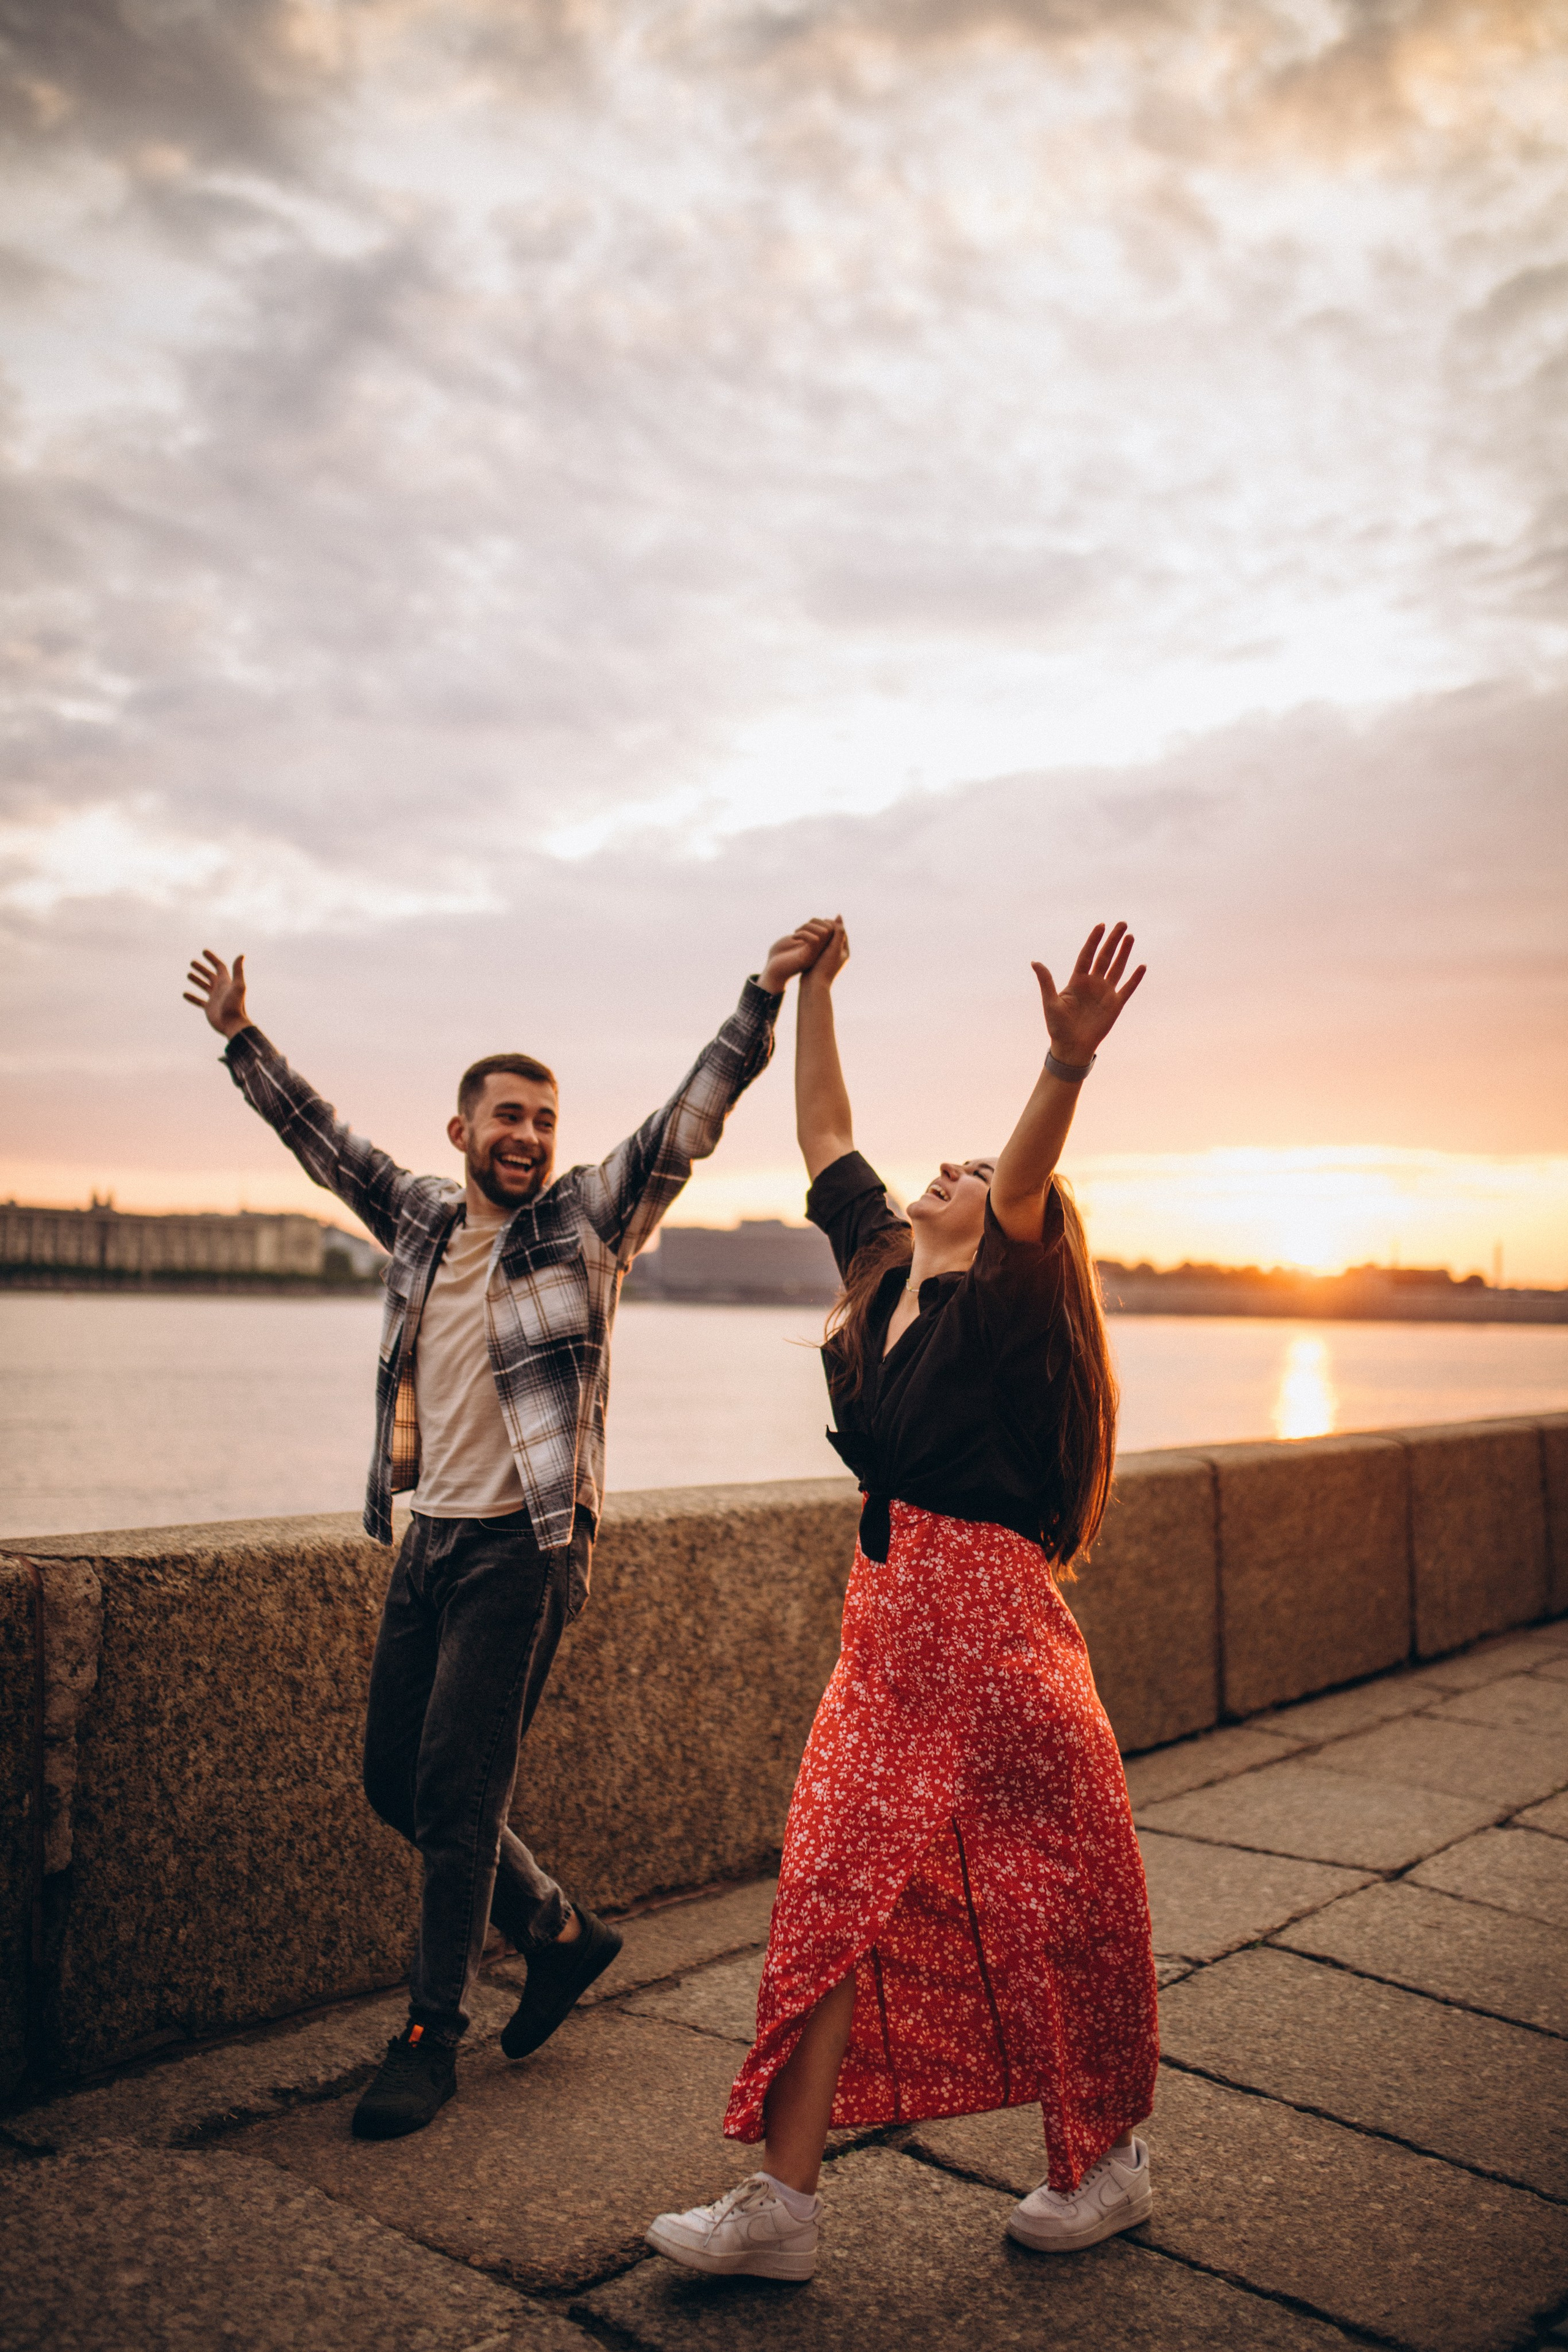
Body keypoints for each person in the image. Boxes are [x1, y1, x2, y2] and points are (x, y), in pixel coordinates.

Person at [182, 927, 824, 2141]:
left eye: (544, 1118)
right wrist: (240, 1039)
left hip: (523, 1550)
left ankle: (433, 2032)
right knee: (395, 1778)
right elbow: (325, 1143)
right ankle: (555, 1931)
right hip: (428, 1541)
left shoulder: (586, 1221)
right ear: (462, 1130)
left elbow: (686, 1121)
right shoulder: (421, 1218)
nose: (528, 1134)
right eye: (507, 1117)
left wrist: (762, 993)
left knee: (458, 1794)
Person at [646, 914, 1159, 2280]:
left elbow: (1027, 1175)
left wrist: (1062, 1067)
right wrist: (814, 990)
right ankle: (782, 2211)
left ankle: (1108, 2159)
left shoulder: (1005, 1297)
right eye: (957, 1161)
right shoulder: (879, 1266)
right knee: (825, 1895)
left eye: (978, 1172)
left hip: (995, 1644)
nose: (955, 1169)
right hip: (882, 1641)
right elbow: (823, 1132)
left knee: (1057, 1906)